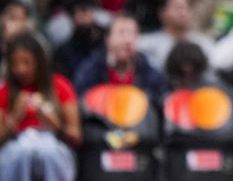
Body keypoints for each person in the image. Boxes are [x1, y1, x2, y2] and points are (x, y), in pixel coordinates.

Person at [0, 32, 82, 181]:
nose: (21, 69)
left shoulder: (60, 86)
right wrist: (14, 118)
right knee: (21, 153)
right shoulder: (4, 91)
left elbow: (76, 137)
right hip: (16, 145)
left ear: (40, 62)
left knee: (48, 152)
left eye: (27, 63)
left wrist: (56, 126)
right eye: (15, 64)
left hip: (52, 144)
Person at [72, 13, 167, 102]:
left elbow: (158, 102)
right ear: (108, 39)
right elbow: (81, 99)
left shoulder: (148, 71)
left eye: (133, 34)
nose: (128, 40)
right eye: (122, 33)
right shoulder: (91, 68)